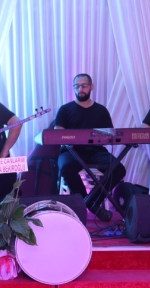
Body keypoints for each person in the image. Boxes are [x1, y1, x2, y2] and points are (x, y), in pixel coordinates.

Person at [54, 73, 125, 221]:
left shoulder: (101, 110)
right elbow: (58, 132)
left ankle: (91, 202)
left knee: (118, 169)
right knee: (66, 167)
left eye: (84, 86)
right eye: (77, 86)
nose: (80, 89)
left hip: (96, 151)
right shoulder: (65, 109)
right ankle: (91, 205)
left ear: (91, 87)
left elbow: (109, 134)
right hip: (71, 151)